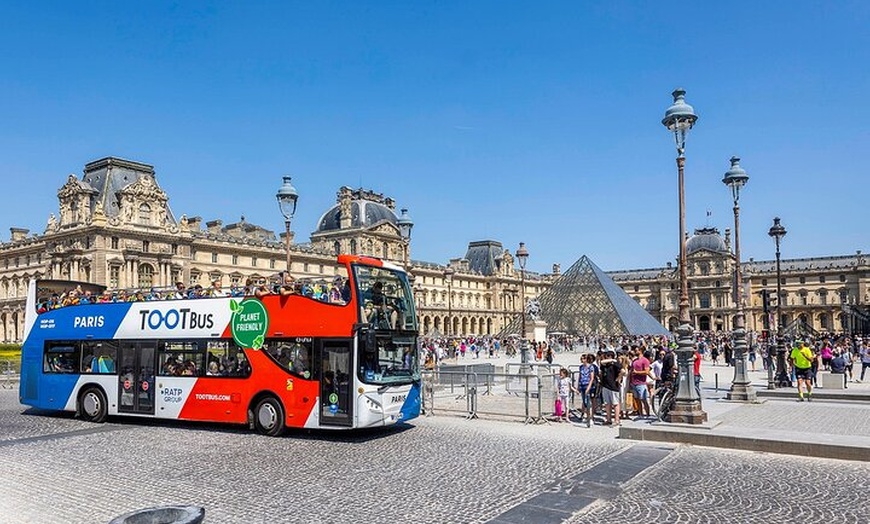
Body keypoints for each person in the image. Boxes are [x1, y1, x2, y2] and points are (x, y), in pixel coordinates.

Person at [599, 350, 623, 426]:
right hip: (605, 386)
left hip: (613, 386)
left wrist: (618, 378)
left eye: (607, 356)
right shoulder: (604, 365)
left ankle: (617, 420)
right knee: (607, 403)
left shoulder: (616, 364)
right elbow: (601, 362)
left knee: (615, 403)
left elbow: (623, 371)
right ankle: (608, 419)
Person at [576, 354, 597, 428]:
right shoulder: (581, 367)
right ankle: (585, 415)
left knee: (589, 402)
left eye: (583, 359)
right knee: (584, 402)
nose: (582, 360)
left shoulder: (591, 367)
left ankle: (590, 417)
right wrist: (578, 386)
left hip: (588, 385)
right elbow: (580, 377)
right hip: (582, 385)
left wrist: (589, 387)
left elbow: (591, 378)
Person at [629, 348, 651, 419]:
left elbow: (647, 372)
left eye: (636, 350)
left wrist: (637, 372)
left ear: (640, 351)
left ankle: (647, 414)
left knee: (643, 399)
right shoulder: (634, 360)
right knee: (637, 400)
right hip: (633, 383)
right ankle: (641, 414)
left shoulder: (645, 360)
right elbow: (631, 371)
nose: (635, 351)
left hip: (641, 383)